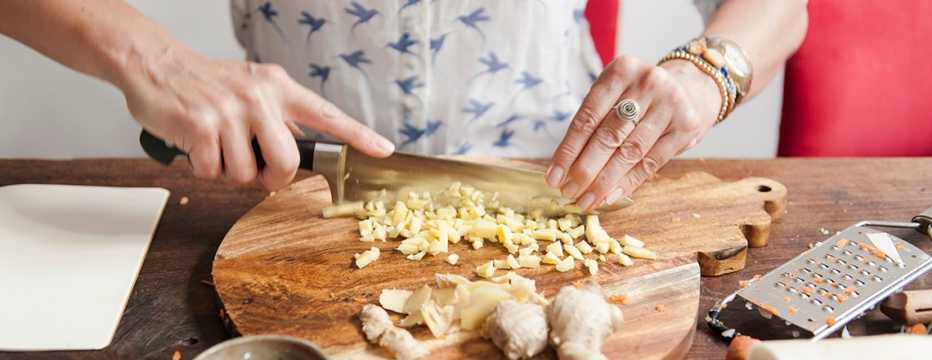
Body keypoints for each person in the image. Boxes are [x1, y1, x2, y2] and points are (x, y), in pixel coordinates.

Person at [0, 1, 807, 211]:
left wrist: (709, 70)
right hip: (288, 188)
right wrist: (154, 59)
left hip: (564, 181)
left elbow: (778, 8)